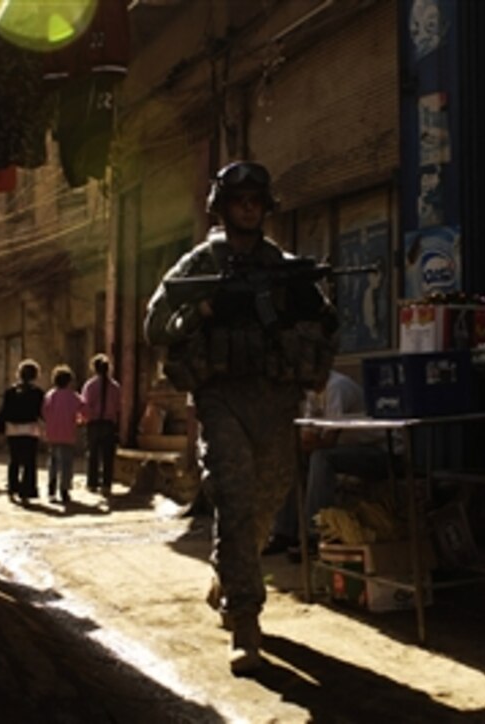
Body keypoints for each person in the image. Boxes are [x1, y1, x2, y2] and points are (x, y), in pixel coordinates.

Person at [144, 160, 337, 674]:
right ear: (223, 208)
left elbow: (323, 322)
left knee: (265, 503)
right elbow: (155, 324)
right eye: (239, 202)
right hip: (222, 397)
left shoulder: (283, 266)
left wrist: (308, 322)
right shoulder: (201, 263)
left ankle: (230, 572)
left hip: (275, 400)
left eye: (255, 202)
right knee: (233, 496)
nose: (248, 210)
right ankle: (245, 619)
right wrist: (206, 309)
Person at [265, 369, 393, 557]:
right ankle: (284, 531)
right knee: (294, 458)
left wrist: (306, 442)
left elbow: (328, 440)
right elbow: (308, 432)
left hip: (379, 450)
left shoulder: (337, 387)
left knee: (321, 458)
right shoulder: (312, 393)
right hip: (347, 449)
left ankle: (313, 535)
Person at [0, 359, 45, 502]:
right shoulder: (37, 393)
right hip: (30, 430)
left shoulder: (10, 391)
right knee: (29, 461)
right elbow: (41, 412)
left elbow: (3, 411)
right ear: (35, 375)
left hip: (13, 430)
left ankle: (12, 487)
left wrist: (0, 428)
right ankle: (27, 490)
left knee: (14, 460)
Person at [80, 353, 120, 498]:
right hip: (108, 424)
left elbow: (84, 405)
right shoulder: (115, 386)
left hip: (94, 423)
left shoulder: (89, 385)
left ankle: (92, 483)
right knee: (108, 455)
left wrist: (84, 419)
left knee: (93, 454)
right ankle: (106, 484)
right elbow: (117, 406)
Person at [42, 364, 83, 504]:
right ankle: (64, 490)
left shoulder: (50, 395)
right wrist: (79, 420)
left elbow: (44, 413)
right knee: (66, 464)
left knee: (53, 463)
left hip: (52, 434)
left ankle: (51, 490)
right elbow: (84, 411)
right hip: (67, 434)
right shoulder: (74, 397)